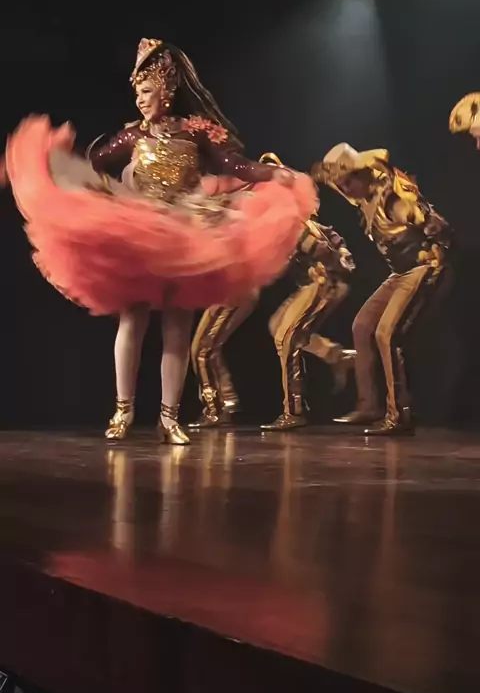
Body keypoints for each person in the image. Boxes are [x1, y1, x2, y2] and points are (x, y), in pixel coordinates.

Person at [4, 39, 316, 445]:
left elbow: (232, 164)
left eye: (146, 91)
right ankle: (123, 411)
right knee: (133, 319)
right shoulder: (133, 136)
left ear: (166, 91)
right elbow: (95, 165)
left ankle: (169, 418)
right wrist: (61, 168)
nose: (139, 100)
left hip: (186, 231)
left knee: (177, 327)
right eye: (137, 92)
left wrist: (273, 174)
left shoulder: (196, 131)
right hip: (143, 231)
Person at [191, 152, 356, 432]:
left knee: (284, 338)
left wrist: (333, 257)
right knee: (277, 327)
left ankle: (291, 411)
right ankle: (337, 357)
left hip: (322, 283)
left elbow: (319, 244)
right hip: (314, 283)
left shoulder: (284, 217)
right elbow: (328, 237)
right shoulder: (276, 215)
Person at [313, 143, 452, 436]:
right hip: (399, 273)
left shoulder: (391, 199)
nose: (345, 190)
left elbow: (431, 223)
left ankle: (399, 413)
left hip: (422, 267)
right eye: (340, 185)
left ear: (362, 174)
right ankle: (369, 406)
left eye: (348, 182)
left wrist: (430, 230)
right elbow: (336, 182)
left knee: (386, 333)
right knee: (362, 326)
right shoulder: (362, 194)